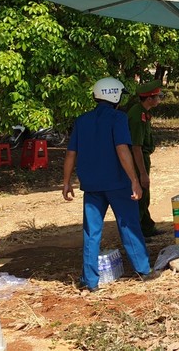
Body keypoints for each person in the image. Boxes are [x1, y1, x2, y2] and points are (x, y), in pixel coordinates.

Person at [63, 77, 154, 292]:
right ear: (114, 95)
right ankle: (143, 271)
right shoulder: (118, 118)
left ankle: (90, 281)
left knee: (91, 233)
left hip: (92, 186)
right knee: (128, 226)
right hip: (118, 184)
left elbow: (70, 153)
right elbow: (123, 149)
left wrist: (66, 182)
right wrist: (134, 180)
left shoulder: (82, 120)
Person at [127, 80, 165, 242]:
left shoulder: (143, 112)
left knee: (145, 195)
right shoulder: (137, 116)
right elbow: (136, 147)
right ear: (149, 99)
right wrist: (142, 174)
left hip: (142, 157)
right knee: (140, 194)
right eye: (158, 96)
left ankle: (147, 227)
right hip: (137, 159)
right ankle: (137, 234)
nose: (159, 99)